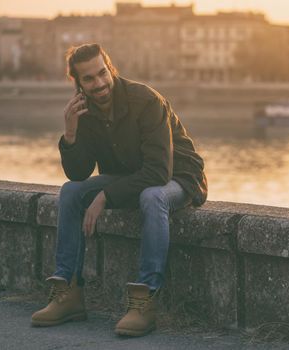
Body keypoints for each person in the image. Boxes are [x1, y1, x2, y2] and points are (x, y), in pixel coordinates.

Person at [31, 43, 208, 337]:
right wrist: (71, 132)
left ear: (110, 68)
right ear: (79, 83)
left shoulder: (146, 100)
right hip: (129, 178)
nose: (99, 83)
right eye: (89, 79)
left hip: (179, 176)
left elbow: (158, 173)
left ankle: (144, 301)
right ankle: (68, 293)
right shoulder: (83, 110)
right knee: (70, 192)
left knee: (152, 197)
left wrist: (105, 196)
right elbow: (78, 174)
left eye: (102, 73)